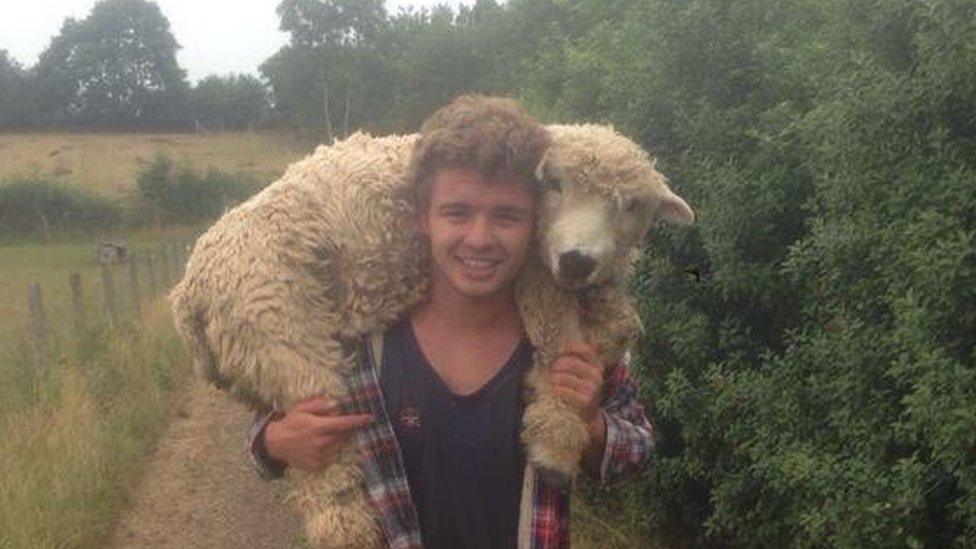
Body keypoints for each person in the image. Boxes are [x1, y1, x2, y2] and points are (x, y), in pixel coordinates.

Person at [248, 95, 653, 548]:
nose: (479, 239)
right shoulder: (359, 341)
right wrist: (275, 442)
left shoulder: (573, 340)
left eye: (506, 216)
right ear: (423, 218)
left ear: (535, 220)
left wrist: (592, 424)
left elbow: (636, 451)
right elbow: (268, 432)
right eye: (457, 213)